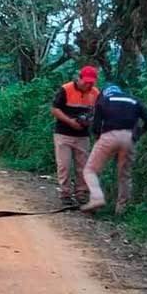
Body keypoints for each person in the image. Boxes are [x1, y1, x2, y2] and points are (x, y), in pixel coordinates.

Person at [81, 85, 147, 214]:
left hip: (109, 136)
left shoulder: (104, 101)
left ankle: (97, 198)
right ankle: (121, 210)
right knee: (124, 175)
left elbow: (96, 127)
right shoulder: (133, 100)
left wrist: (99, 139)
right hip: (128, 137)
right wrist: (138, 134)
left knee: (90, 170)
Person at [51, 65, 100, 206]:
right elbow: (54, 109)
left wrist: (90, 122)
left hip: (82, 135)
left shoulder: (95, 93)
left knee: (82, 165)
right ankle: (65, 193)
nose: (88, 84)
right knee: (64, 165)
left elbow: (97, 113)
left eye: (91, 82)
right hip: (63, 133)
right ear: (79, 78)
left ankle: (81, 193)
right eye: (86, 81)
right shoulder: (66, 89)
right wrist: (70, 121)